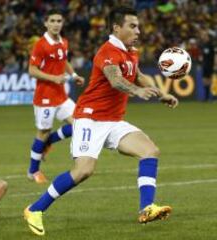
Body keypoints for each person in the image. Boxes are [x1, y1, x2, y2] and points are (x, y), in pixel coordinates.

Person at [24, 6, 179, 236]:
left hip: (114, 121)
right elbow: (116, 79)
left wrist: (160, 92)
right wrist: (137, 92)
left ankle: (146, 208)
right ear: (117, 28)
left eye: (138, 26)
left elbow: (137, 74)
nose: (138, 30)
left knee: (150, 150)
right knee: (83, 171)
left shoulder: (131, 51)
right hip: (90, 118)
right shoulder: (107, 51)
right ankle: (35, 209)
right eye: (132, 26)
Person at [27, 9, 85, 184]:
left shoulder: (63, 42)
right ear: (46, 23)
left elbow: (63, 60)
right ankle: (33, 171)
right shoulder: (40, 44)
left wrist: (74, 75)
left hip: (61, 96)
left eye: (59, 21)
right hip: (44, 98)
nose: (56, 24)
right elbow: (32, 70)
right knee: (42, 132)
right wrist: (54, 78)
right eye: (52, 21)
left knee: (81, 124)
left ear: (63, 23)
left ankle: (48, 142)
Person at [200, 31, 215, 101]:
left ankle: (209, 97)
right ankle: (206, 97)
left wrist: (214, 64)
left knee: (209, 80)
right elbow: (203, 55)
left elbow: (214, 55)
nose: (204, 37)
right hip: (204, 64)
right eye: (204, 36)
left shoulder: (211, 45)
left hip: (210, 65)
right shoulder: (203, 45)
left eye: (205, 36)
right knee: (204, 80)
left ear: (208, 37)